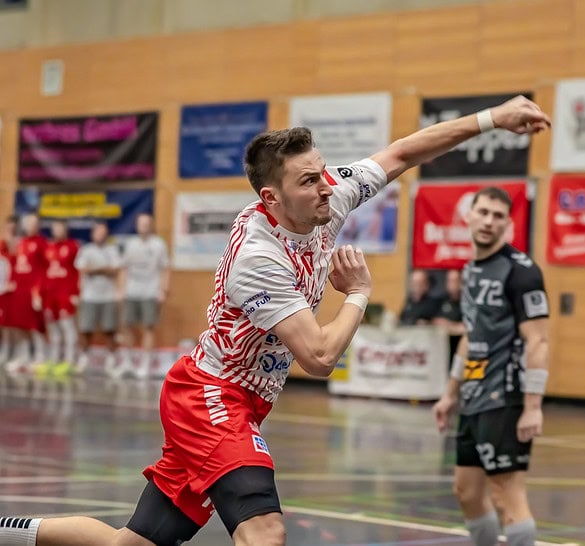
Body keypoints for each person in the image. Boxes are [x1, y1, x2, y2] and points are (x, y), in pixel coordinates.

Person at [0, 95, 550, 546]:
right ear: (272, 196)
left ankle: (12, 532)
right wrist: (357, 295)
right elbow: (318, 357)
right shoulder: (257, 259)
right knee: (265, 531)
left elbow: (404, 151)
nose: (326, 187)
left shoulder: (325, 198)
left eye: (322, 173)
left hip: (240, 398)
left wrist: (492, 119)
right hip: (211, 396)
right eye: (309, 181)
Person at [432, 186, 550, 546]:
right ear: (469, 217)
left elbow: (539, 340)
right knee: (466, 491)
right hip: (475, 395)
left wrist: (532, 406)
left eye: (498, 216)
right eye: (483, 212)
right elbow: (471, 336)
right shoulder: (470, 270)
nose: (488, 221)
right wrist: (451, 393)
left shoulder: (521, 272)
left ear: (508, 223)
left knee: (506, 495)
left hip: (507, 396)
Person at [117, 212, 171, 379]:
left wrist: (163, 290)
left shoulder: (159, 245)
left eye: (147, 224)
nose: (143, 227)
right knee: (126, 325)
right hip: (132, 291)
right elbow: (124, 268)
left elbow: (165, 269)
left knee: (148, 327)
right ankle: (128, 362)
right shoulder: (130, 244)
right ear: (136, 225)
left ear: (151, 225)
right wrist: (120, 289)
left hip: (150, 291)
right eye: (141, 224)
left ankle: (145, 364)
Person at [74, 221, 122, 376]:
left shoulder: (112, 250)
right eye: (98, 232)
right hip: (89, 296)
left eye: (103, 233)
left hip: (108, 296)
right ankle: (84, 358)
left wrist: (96, 268)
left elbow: (114, 269)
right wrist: (102, 268)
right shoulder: (86, 250)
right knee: (86, 329)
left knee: (110, 329)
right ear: (92, 234)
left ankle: (111, 360)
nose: (100, 235)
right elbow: (82, 268)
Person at [5, 213, 48, 372]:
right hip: (19, 290)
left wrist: (39, 290)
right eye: (28, 222)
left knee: (35, 325)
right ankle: (23, 357)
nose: (31, 225)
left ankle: (40, 356)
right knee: (19, 325)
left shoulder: (42, 243)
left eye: (34, 223)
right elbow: (14, 265)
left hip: (33, 291)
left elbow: (45, 269)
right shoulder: (20, 243)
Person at [38, 220, 80, 376]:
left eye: (60, 228)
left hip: (65, 293)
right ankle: (54, 358)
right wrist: (40, 293)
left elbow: (77, 271)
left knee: (67, 326)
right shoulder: (48, 248)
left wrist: (75, 293)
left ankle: (70, 360)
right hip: (50, 294)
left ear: (66, 229)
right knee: (52, 328)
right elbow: (43, 272)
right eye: (55, 228)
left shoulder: (72, 246)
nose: (57, 231)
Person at [433, 268, 466, 364]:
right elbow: (434, 321)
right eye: (449, 281)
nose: (452, 284)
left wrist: (449, 326)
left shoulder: (467, 303)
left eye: (454, 281)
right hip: (442, 354)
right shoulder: (442, 301)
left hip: (460, 353)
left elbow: (469, 328)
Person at [0, 215, 19, 365]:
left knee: (11, 324)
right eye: (8, 227)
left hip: (14, 290)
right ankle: (5, 352)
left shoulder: (20, 244)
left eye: (13, 227)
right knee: (3, 324)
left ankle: (13, 353)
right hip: (2, 289)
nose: (10, 230)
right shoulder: (2, 244)